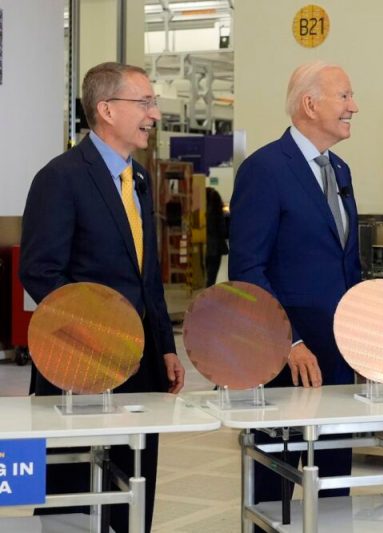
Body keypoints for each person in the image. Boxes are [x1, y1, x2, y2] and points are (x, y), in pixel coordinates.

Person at [20, 62, 185, 533]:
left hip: (141, 362)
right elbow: (39, 271)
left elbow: (145, 277)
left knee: (134, 479)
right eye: (146, 102)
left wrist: (166, 347)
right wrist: (94, 332)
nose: (155, 113)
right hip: (79, 363)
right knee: (72, 488)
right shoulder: (61, 177)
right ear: (107, 110)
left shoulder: (139, 180)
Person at [227, 61, 361, 519]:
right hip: (285, 362)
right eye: (344, 96)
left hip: (338, 360)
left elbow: (348, 266)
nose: (353, 107)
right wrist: (290, 342)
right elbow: (247, 271)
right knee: (274, 489)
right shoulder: (265, 169)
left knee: (334, 483)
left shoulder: (340, 170)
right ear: (310, 103)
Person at [205, 186, 228, 287]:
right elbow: (223, 231)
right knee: (212, 277)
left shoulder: (205, 214)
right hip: (216, 248)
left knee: (208, 275)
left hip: (207, 247)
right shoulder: (218, 214)